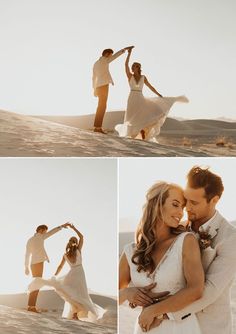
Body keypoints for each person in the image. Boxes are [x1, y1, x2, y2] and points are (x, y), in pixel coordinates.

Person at [146, 166, 236, 334]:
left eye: (194, 203)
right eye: (186, 201)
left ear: (214, 200)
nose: (187, 208)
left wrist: (160, 313)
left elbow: (210, 290)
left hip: (208, 327)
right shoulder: (177, 228)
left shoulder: (231, 237)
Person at [119, 181, 204, 333]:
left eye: (182, 208)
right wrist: (127, 294)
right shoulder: (131, 251)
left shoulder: (186, 241)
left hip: (180, 328)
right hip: (144, 328)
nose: (181, 213)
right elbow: (116, 295)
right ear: (157, 204)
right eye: (175, 204)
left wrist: (153, 311)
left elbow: (196, 289)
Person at [28, 223, 104, 321]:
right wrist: (73, 228)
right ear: (76, 242)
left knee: (71, 295)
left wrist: (55, 275)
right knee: (81, 295)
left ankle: (75, 313)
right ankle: (75, 314)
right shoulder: (78, 250)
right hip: (80, 273)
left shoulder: (65, 254)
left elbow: (60, 266)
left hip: (71, 274)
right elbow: (82, 237)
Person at [115, 48, 189, 141]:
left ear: (138, 68)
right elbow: (125, 65)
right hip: (132, 98)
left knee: (144, 114)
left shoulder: (143, 77)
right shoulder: (130, 76)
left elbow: (150, 86)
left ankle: (142, 130)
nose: (132, 68)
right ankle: (136, 132)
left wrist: (158, 94)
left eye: (134, 66)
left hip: (140, 97)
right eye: (132, 66)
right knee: (131, 117)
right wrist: (129, 53)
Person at [25, 222, 70, 313]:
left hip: (33, 264)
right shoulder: (40, 237)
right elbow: (52, 232)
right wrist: (61, 226)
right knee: (37, 284)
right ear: (41, 230)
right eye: (45, 231)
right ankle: (32, 306)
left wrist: (26, 266)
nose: (46, 233)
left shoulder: (30, 239)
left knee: (36, 283)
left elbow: (27, 254)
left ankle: (31, 306)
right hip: (38, 263)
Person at [92, 46, 134, 134]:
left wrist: (94, 89)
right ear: (107, 54)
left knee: (100, 106)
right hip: (104, 86)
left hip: (98, 87)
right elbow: (116, 56)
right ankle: (98, 127)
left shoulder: (96, 63)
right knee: (102, 106)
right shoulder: (105, 60)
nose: (111, 56)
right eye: (110, 55)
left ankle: (97, 126)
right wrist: (125, 50)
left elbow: (93, 77)